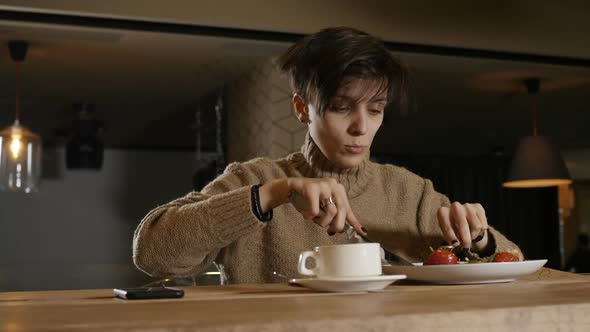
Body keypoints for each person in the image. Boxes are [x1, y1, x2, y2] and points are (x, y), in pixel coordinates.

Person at [133, 27, 523, 284]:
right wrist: (271, 194)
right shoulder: (257, 179)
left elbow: (513, 263)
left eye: (375, 109)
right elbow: (152, 253)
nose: (361, 128)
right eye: (341, 108)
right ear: (304, 110)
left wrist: (481, 239)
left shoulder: (406, 190)